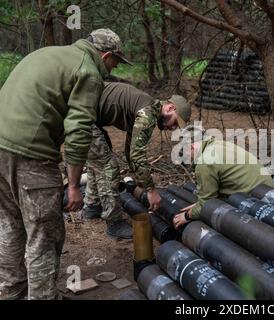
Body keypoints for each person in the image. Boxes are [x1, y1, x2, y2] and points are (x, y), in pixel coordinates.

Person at [0, 28, 129, 300]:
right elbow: (80, 129)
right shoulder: (89, 71)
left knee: (11, 226)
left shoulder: (49, 54)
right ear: (105, 55)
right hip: (31, 158)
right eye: (115, 62)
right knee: (45, 235)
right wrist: (73, 186)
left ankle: (11, 293)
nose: (113, 69)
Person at [81, 82, 191, 239]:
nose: (173, 128)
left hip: (84, 114)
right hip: (81, 115)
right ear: (170, 108)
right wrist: (151, 191)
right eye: (176, 121)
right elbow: (137, 155)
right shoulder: (147, 114)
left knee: (99, 160)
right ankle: (114, 223)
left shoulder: (146, 108)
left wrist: (140, 180)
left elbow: (130, 150)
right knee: (108, 167)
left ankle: (92, 207)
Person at [172, 126, 274, 229]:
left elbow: (207, 204)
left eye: (185, 152)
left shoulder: (205, 163)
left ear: (191, 147)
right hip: (270, 190)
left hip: (257, 201)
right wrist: (198, 204)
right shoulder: (219, 144)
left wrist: (187, 215)